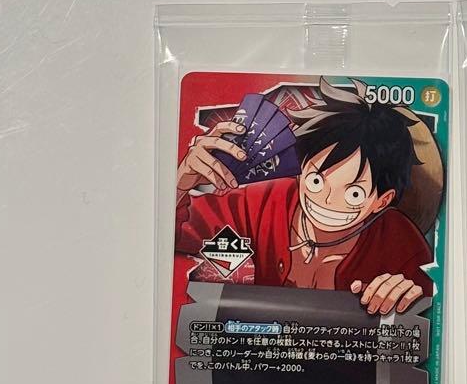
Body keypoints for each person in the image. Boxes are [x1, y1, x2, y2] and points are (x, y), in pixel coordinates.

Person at [176, 79, 433, 315]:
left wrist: (407, 296)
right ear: (301, 170)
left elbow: (428, 314)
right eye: (316, 181)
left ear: (382, 201)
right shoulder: (262, 201)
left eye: (354, 193)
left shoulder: (401, 243)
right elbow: (178, 232)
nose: (327, 200)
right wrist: (180, 184)